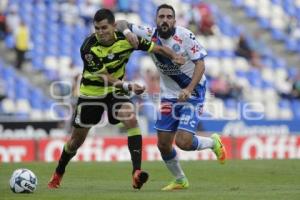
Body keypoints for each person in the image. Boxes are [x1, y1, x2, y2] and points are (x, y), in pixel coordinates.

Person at [48, 8, 184, 190]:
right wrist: (129, 86)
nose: (100, 32)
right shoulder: (88, 47)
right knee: (76, 141)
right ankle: (58, 173)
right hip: (92, 94)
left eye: (104, 27)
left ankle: (136, 173)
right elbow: (105, 77)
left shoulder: (126, 39)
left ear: (113, 26)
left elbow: (156, 47)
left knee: (131, 117)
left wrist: (174, 56)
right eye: (97, 28)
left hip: (115, 92)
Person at [116, 4, 226, 190]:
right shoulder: (149, 33)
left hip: (194, 90)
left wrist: (189, 89)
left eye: (169, 17)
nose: (165, 20)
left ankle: (213, 142)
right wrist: (127, 32)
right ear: (156, 19)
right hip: (168, 95)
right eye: (161, 16)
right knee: (163, 144)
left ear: (174, 20)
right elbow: (120, 22)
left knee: (183, 142)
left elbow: (200, 65)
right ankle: (180, 180)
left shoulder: (185, 36)